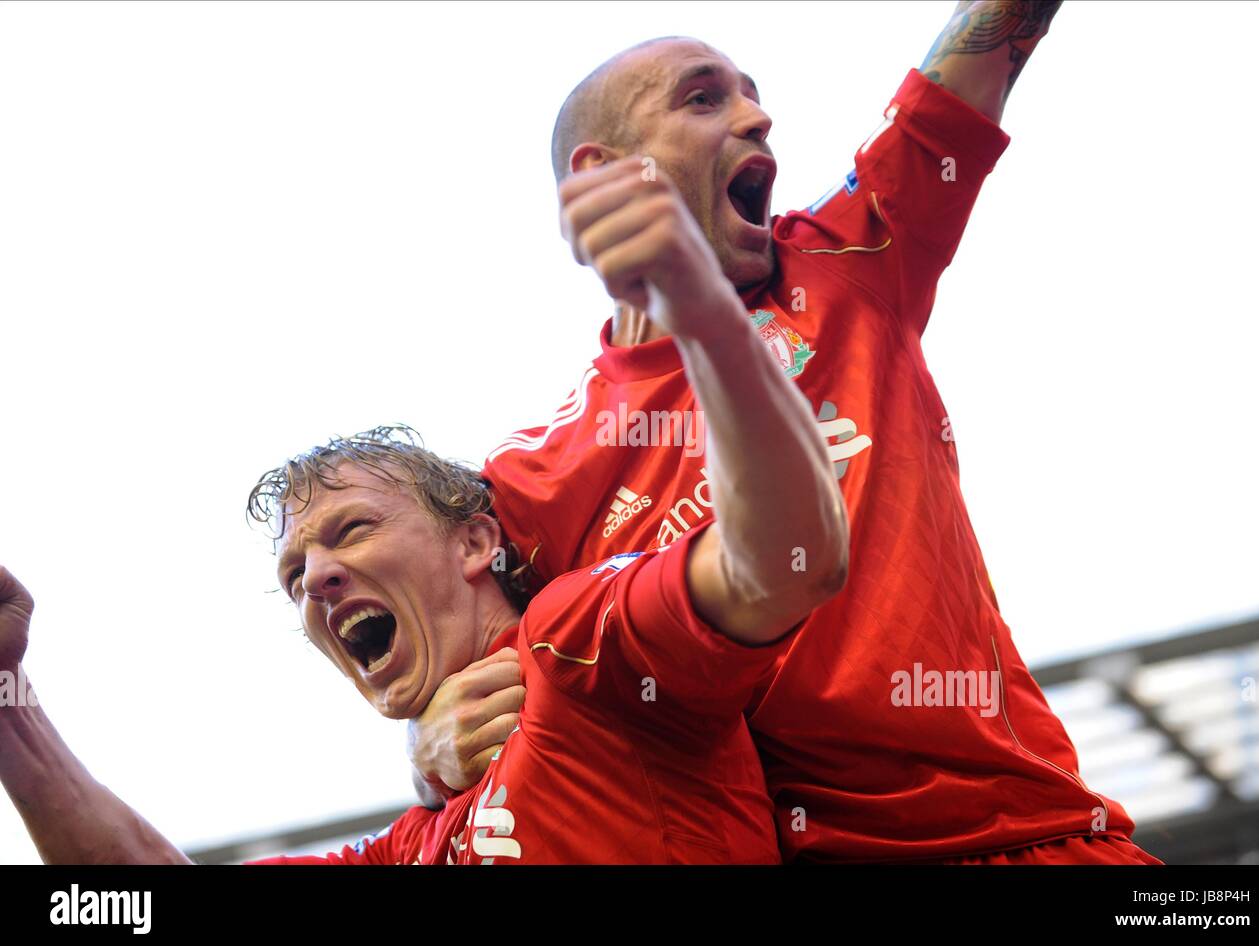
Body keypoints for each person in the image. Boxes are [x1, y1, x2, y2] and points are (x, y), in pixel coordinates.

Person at [407, 8, 1162, 863]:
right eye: (701, 99)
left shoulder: (847, 261)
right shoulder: (527, 482)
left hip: (1030, 837)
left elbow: (980, 57)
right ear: (603, 174)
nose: (755, 117)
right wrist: (425, 748)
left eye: (753, 98)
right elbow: (491, 667)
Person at [0, 163, 849, 863]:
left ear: (477, 541)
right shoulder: (409, 848)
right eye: (294, 575)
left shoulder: (581, 641)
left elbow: (789, 558)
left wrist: (700, 316)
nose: (318, 579)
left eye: (354, 529)